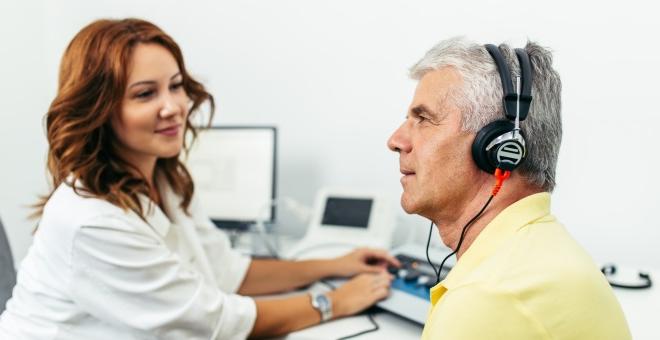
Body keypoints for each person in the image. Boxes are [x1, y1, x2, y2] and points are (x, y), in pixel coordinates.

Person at [0, 18, 398, 340]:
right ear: (99, 109)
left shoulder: (165, 180)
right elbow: (214, 323)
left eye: (175, 86)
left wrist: (332, 264)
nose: (173, 107)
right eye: (144, 94)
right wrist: (335, 302)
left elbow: (226, 271)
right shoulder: (89, 221)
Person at [387, 37, 631, 339]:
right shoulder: (543, 250)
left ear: (496, 148)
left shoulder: (485, 299)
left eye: (423, 119)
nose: (395, 141)